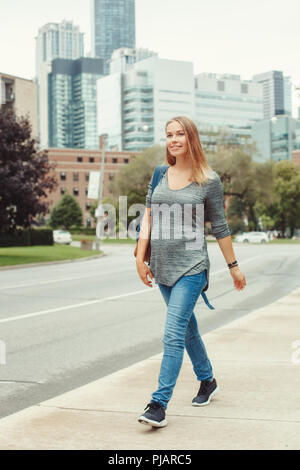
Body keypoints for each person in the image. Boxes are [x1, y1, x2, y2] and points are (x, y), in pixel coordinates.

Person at [135, 116, 246, 428]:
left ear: (191, 138)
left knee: (172, 334)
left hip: (192, 266)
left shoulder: (208, 180)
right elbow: (148, 216)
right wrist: (140, 257)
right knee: (186, 329)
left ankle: (158, 404)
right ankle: (207, 380)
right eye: (169, 134)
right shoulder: (159, 173)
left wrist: (234, 267)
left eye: (180, 134)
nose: (173, 139)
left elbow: (220, 227)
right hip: (162, 267)